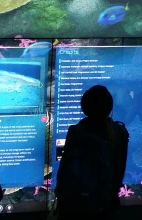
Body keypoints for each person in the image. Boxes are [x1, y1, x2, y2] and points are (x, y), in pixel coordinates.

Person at [55, 85, 129, 220]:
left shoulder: (76, 131)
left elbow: (63, 171)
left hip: (74, 207)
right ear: (109, 106)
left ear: (84, 106)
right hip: (103, 206)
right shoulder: (119, 133)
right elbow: (119, 170)